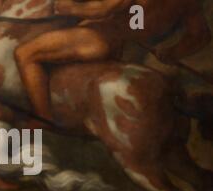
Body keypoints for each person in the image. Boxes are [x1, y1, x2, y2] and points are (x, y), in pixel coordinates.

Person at [14, 0, 211, 128]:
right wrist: (173, 52)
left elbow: (104, 8)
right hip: (132, 50)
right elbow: (200, 35)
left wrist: (68, 7)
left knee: (25, 53)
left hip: (100, 38)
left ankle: (42, 118)